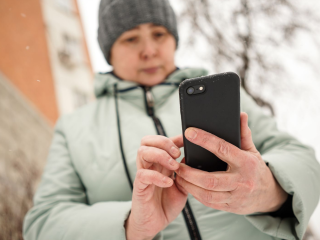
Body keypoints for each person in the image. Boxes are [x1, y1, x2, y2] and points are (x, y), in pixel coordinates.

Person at [23, 0, 320, 239]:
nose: (149, 50)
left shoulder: (224, 97)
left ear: (173, 39)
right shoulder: (75, 127)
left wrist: (268, 190)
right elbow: (42, 223)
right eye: (130, 38)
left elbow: (303, 161)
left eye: (159, 34)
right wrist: (131, 226)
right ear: (108, 52)